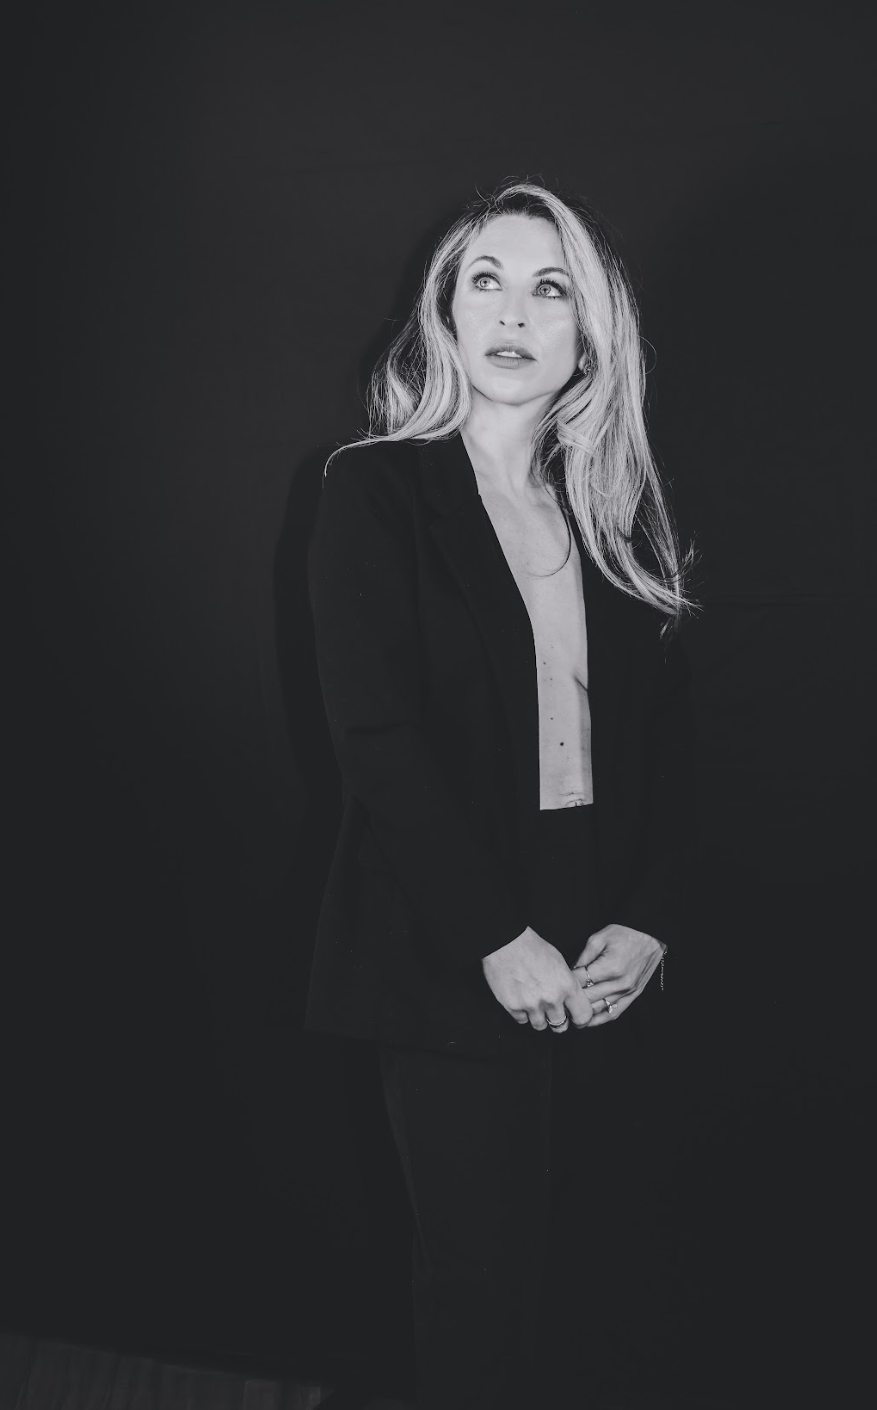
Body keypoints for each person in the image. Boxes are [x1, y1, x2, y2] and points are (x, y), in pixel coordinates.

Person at [305, 180, 696, 1408]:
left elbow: (667, 747)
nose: (515, 311)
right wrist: (493, 933)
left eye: (551, 286)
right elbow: (376, 738)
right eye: (487, 280)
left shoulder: (615, 514)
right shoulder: (374, 491)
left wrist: (648, 915)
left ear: (589, 335)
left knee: (585, 1274)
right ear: (446, 313)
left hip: (599, 924)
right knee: (477, 1282)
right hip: (445, 927)